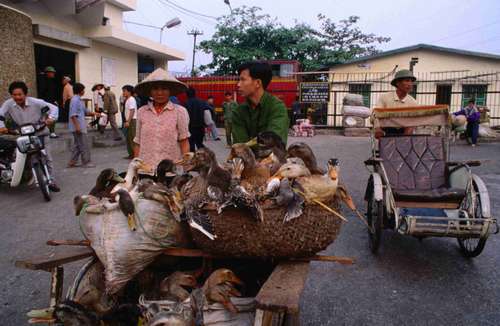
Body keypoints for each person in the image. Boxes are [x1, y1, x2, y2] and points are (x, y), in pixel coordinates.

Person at [0, 81, 60, 191]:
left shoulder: (36, 102)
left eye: (20, 94)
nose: (17, 97)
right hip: (23, 133)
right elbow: (0, 115)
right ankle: (25, 176)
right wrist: (2, 126)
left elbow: (54, 108)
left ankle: (51, 180)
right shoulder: (8, 104)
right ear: (11, 95)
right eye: (14, 95)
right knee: (20, 156)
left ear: (25, 94)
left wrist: (51, 118)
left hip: (40, 132)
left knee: (47, 157)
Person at [133, 68, 190, 168]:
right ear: (150, 91)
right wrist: (135, 168)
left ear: (170, 91)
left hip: (171, 170)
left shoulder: (179, 112)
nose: (159, 93)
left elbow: (184, 142)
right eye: (155, 89)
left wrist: (185, 167)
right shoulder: (142, 111)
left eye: (164, 89)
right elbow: (138, 142)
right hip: (146, 169)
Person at [232, 61, 289, 144]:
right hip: (246, 157)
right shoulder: (239, 111)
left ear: (258, 83)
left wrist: (249, 146)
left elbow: (274, 142)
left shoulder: (276, 107)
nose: (238, 84)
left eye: (243, 80)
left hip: (273, 157)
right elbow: (240, 147)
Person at [375, 69, 418, 136]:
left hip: (404, 131)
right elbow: (375, 114)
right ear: (397, 83)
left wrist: (408, 132)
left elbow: (414, 120)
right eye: (407, 81)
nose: (410, 84)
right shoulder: (384, 97)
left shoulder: (413, 102)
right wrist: (377, 128)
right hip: (386, 131)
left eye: (411, 81)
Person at [67, 83, 100, 168]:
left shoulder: (79, 100)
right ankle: (86, 162)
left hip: (80, 125)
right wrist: (77, 126)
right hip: (78, 126)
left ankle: (72, 162)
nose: (84, 91)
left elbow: (86, 111)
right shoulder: (74, 100)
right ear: (80, 90)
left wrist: (95, 114)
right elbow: (73, 115)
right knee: (84, 145)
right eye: (83, 89)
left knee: (78, 145)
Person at [39, 66, 59, 138]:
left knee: (52, 118)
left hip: (52, 102)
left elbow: (53, 92)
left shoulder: (52, 81)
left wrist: (55, 101)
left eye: (53, 73)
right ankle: (46, 131)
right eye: (52, 73)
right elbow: (42, 92)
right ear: (48, 73)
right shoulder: (43, 81)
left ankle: (52, 132)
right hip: (46, 102)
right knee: (46, 117)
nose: (53, 74)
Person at [185, 87, 207, 151]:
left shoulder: (186, 103)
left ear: (187, 94)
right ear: (195, 94)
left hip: (190, 128)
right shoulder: (202, 102)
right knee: (199, 144)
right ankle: (204, 157)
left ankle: (193, 159)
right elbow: (209, 110)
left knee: (191, 145)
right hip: (201, 127)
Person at [122, 85, 137, 159]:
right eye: (123, 91)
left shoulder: (131, 99)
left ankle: (135, 155)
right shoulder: (127, 99)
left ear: (129, 92)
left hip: (132, 120)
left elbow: (132, 110)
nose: (123, 93)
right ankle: (131, 154)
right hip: (129, 120)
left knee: (132, 138)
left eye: (124, 91)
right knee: (128, 138)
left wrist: (128, 121)